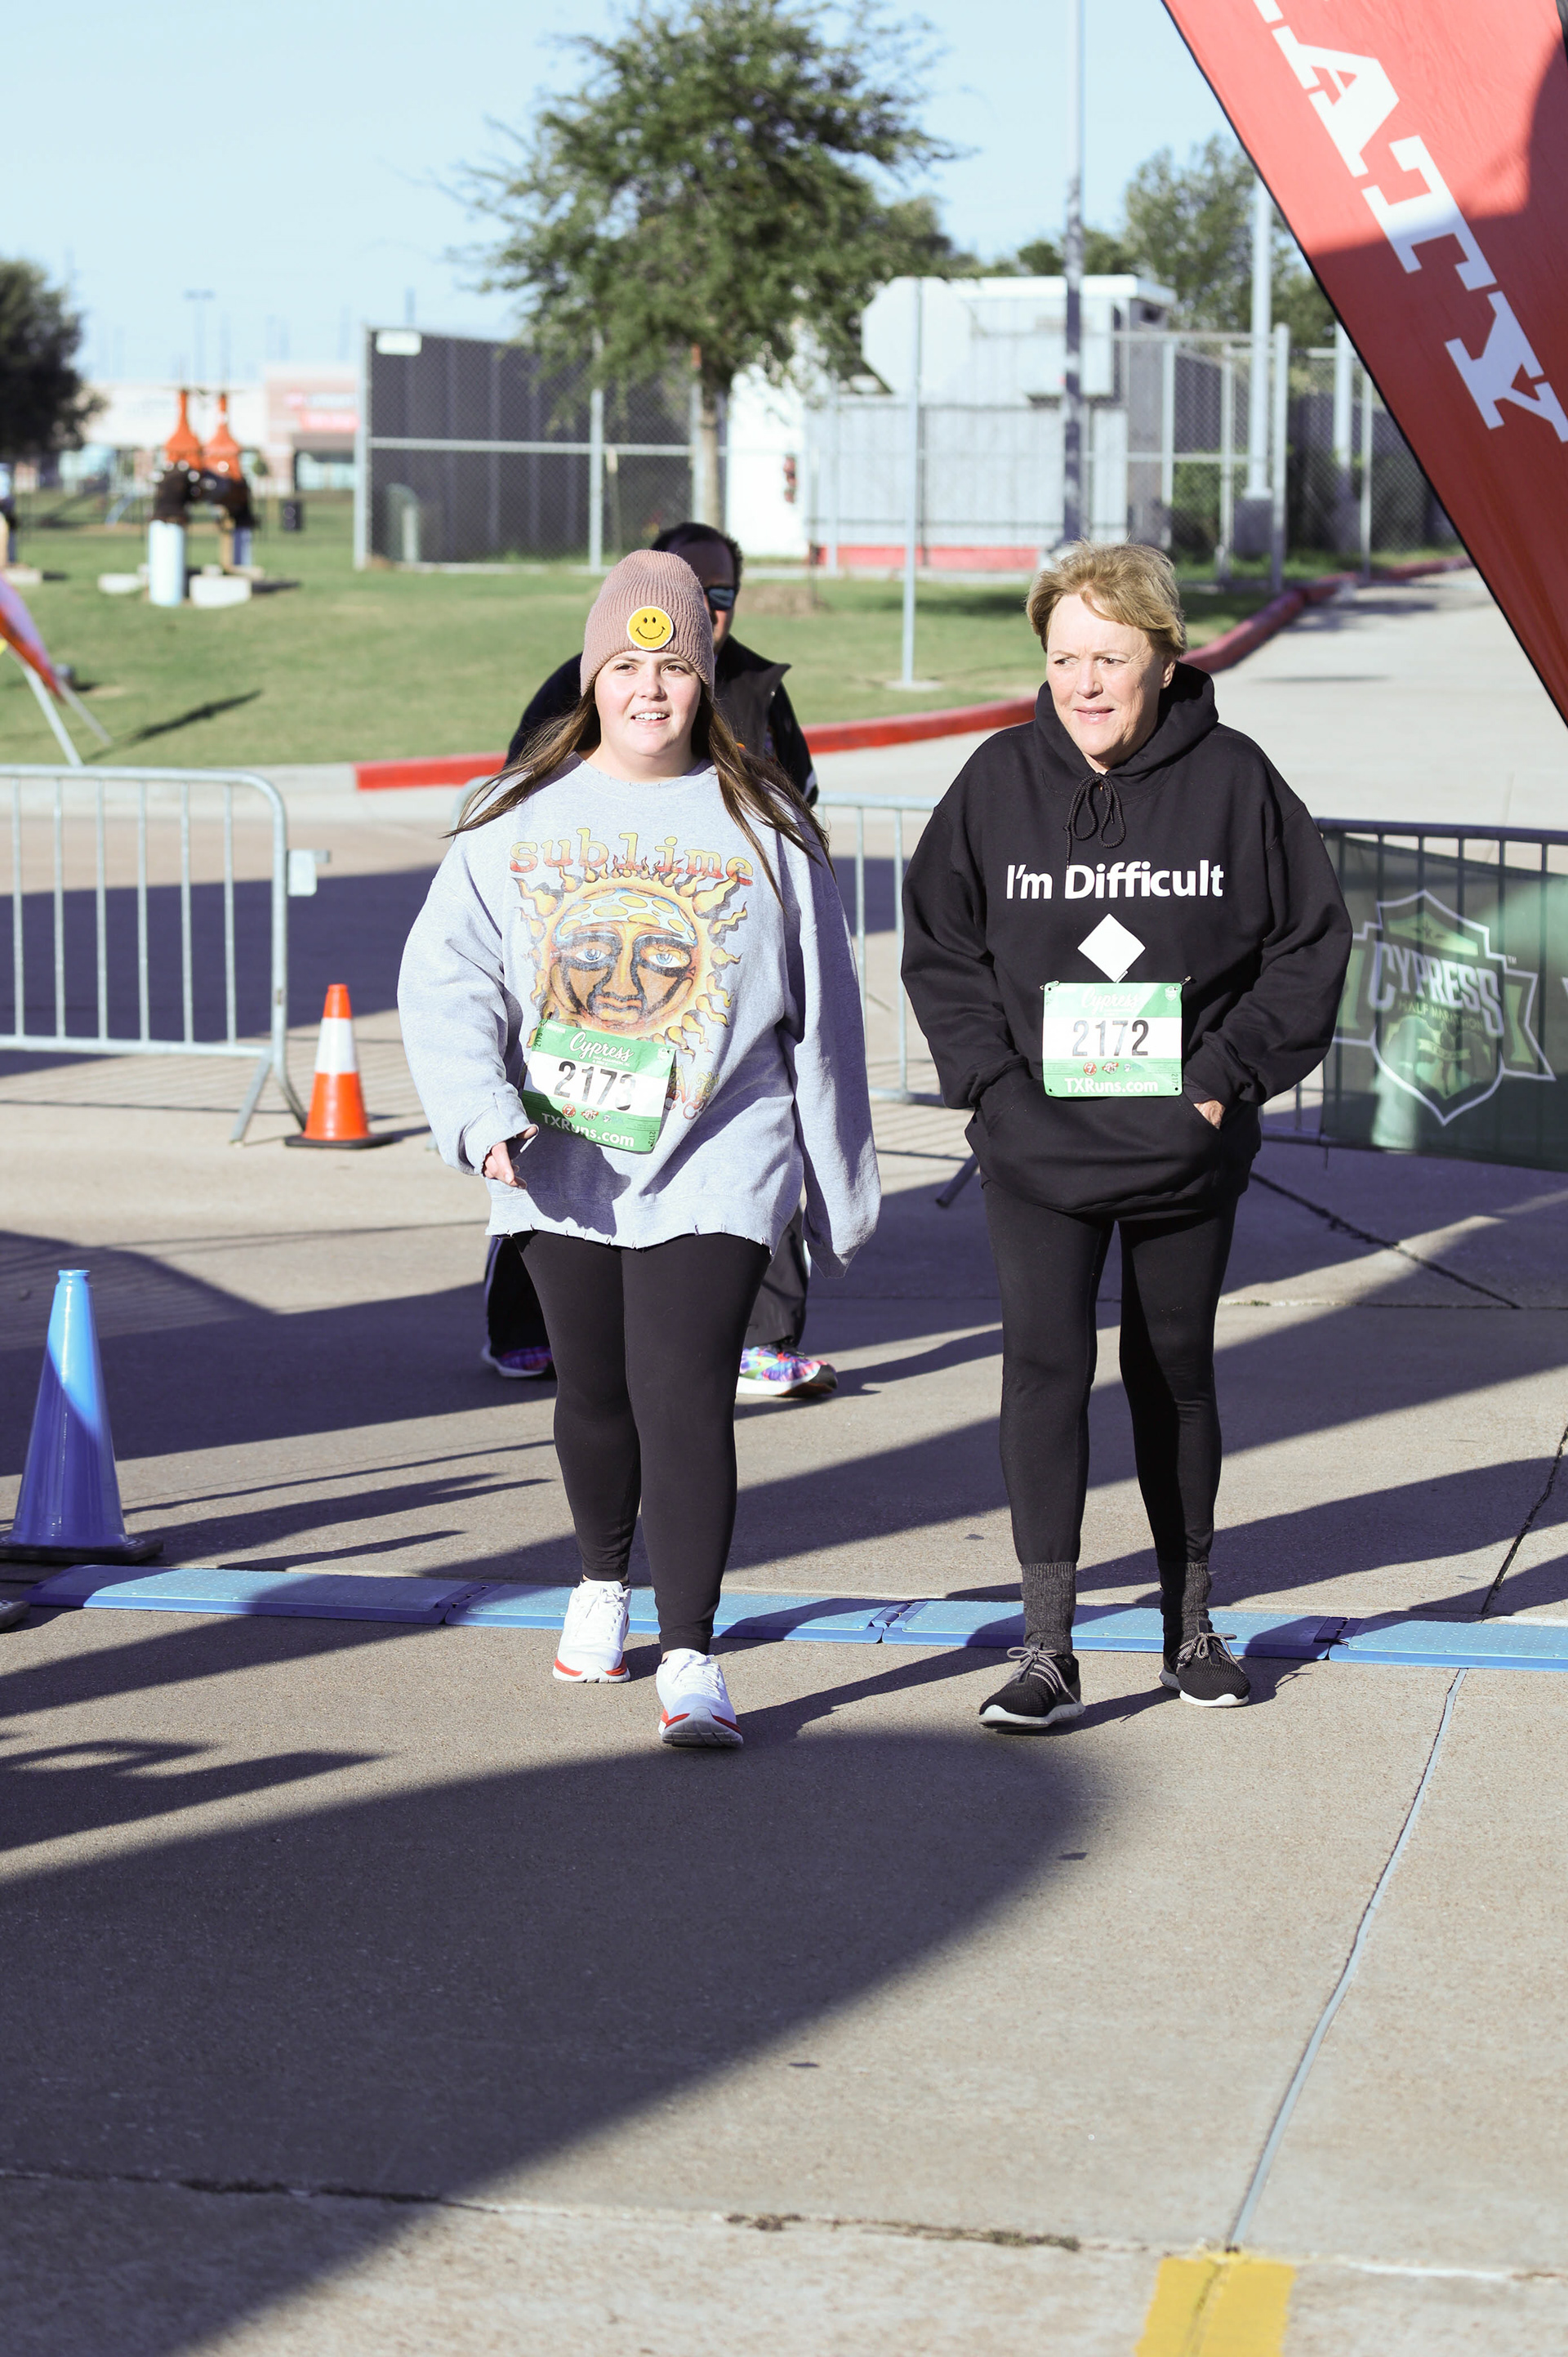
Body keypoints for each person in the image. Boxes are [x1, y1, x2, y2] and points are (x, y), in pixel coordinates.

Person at [399, 549, 877, 1749]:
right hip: (561, 1156)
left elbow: (827, 1015)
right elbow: (447, 979)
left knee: (684, 1395)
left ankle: (693, 1654)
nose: (649, 689)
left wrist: (838, 1182)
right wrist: (480, 1115)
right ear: (591, 680)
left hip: (720, 1150)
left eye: (672, 668)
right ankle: (601, 1581)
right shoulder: (514, 818)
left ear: (705, 680)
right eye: (625, 666)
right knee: (596, 1394)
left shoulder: (767, 824)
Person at [902, 541, 1351, 1728]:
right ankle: (1047, 1650)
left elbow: (1308, 944)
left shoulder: (1236, 781)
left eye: (1108, 658)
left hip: (1180, 1147)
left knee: (1174, 1373)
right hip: (1035, 1147)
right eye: (1064, 659)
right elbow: (942, 945)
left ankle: (1188, 1629)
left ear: (1163, 656)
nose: (1084, 684)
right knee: (1045, 1375)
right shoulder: (998, 780)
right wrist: (993, 1087)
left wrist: (1219, 1079)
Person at [489, 519, 835, 1404]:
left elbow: (801, 797)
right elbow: (517, 831)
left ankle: (766, 1337)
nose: (708, 611)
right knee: (550, 1189)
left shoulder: (757, 688)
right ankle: (521, 1326)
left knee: (751, 1175)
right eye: (695, 591)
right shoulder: (570, 698)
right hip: (576, 1060)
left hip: (714, 1071)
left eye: (722, 596)